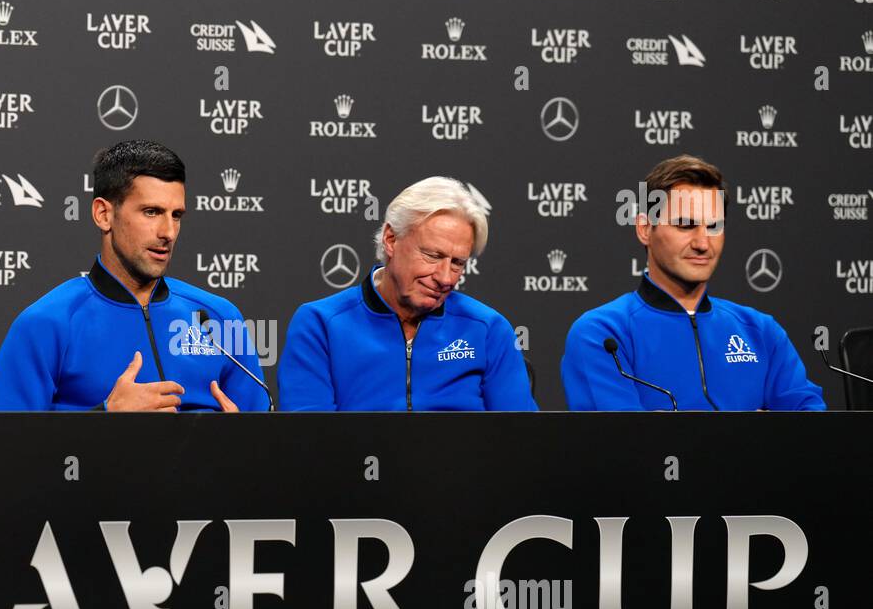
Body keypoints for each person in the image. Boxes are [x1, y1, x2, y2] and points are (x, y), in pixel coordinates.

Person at [0, 140, 268, 411]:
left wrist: (241, 441)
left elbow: (268, 448)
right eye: (151, 212)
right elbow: (2, 450)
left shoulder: (218, 318)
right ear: (104, 214)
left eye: (176, 215)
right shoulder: (46, 323)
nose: (167, 232)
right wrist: (107, 417)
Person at [561, 154, 824, 411]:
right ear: (644, 229)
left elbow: (813, 433)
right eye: (685, 225)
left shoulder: (761, 331)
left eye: (714, 226)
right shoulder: (603, 333)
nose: (702, 243)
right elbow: (624, 446)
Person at [278, 176, 536, 411]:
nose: (445, 278)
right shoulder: (319, 324)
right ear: (391, 240)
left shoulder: (488, 328)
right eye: (432, 256)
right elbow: (309, 441)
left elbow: (520, 440)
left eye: (457, 263)